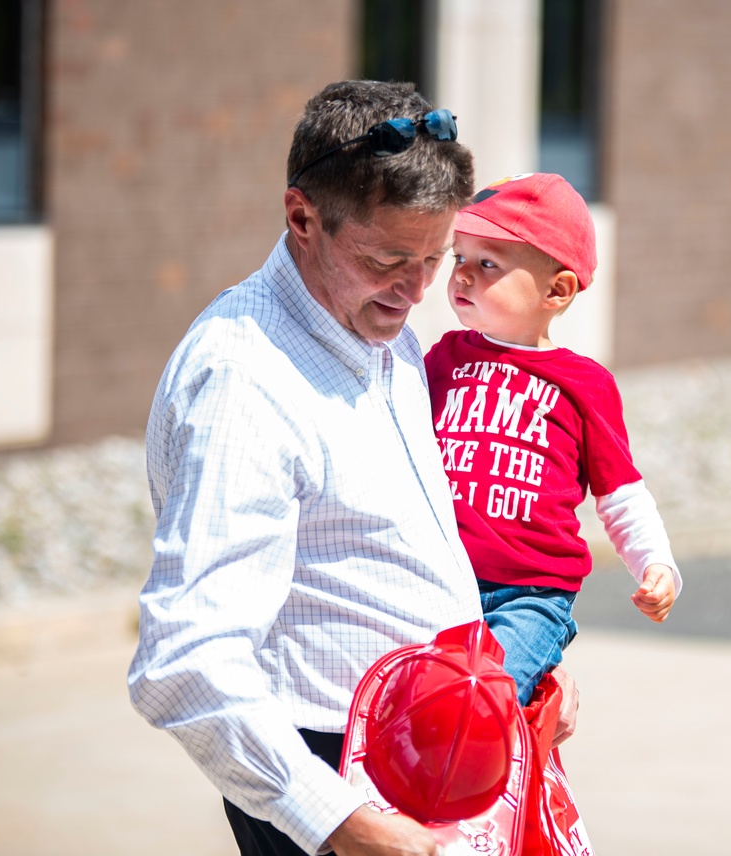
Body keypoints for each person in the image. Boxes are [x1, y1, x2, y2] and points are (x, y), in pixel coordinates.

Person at [127, 83, 577, 856]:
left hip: (435, 750)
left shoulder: (372, 321)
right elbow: (186, 657)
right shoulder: (245, 381)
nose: (414, 291)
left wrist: (511, 677)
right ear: (302, 217)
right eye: (387, 259)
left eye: (434, 260)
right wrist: (343, 822)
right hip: (338, 776)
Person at [424, 172, 683, 706]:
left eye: (487, 263)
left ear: (557, 290)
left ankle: (494, 785)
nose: (463, 275)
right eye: (459, 258)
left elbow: (621, 494)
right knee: (416, 702)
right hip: (440, 579)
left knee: (478, 707)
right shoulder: (442, 358)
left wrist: (657, 563)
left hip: (528, 595)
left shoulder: (584, 383)